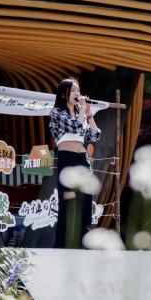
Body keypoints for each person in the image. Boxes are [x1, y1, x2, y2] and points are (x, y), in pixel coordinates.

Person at [48, 78, 101, 248]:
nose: (77, 94)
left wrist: (89, 113)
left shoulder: (81, 114)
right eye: (73, 90)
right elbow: (75, 127)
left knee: (85, 199)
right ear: (64, 94)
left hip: (82, 159)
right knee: (68, 200)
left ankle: (83, 242)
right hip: (67, 159)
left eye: (78, 90)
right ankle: (62, 245)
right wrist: (82, 111)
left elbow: (95, 135)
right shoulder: (57, 113)